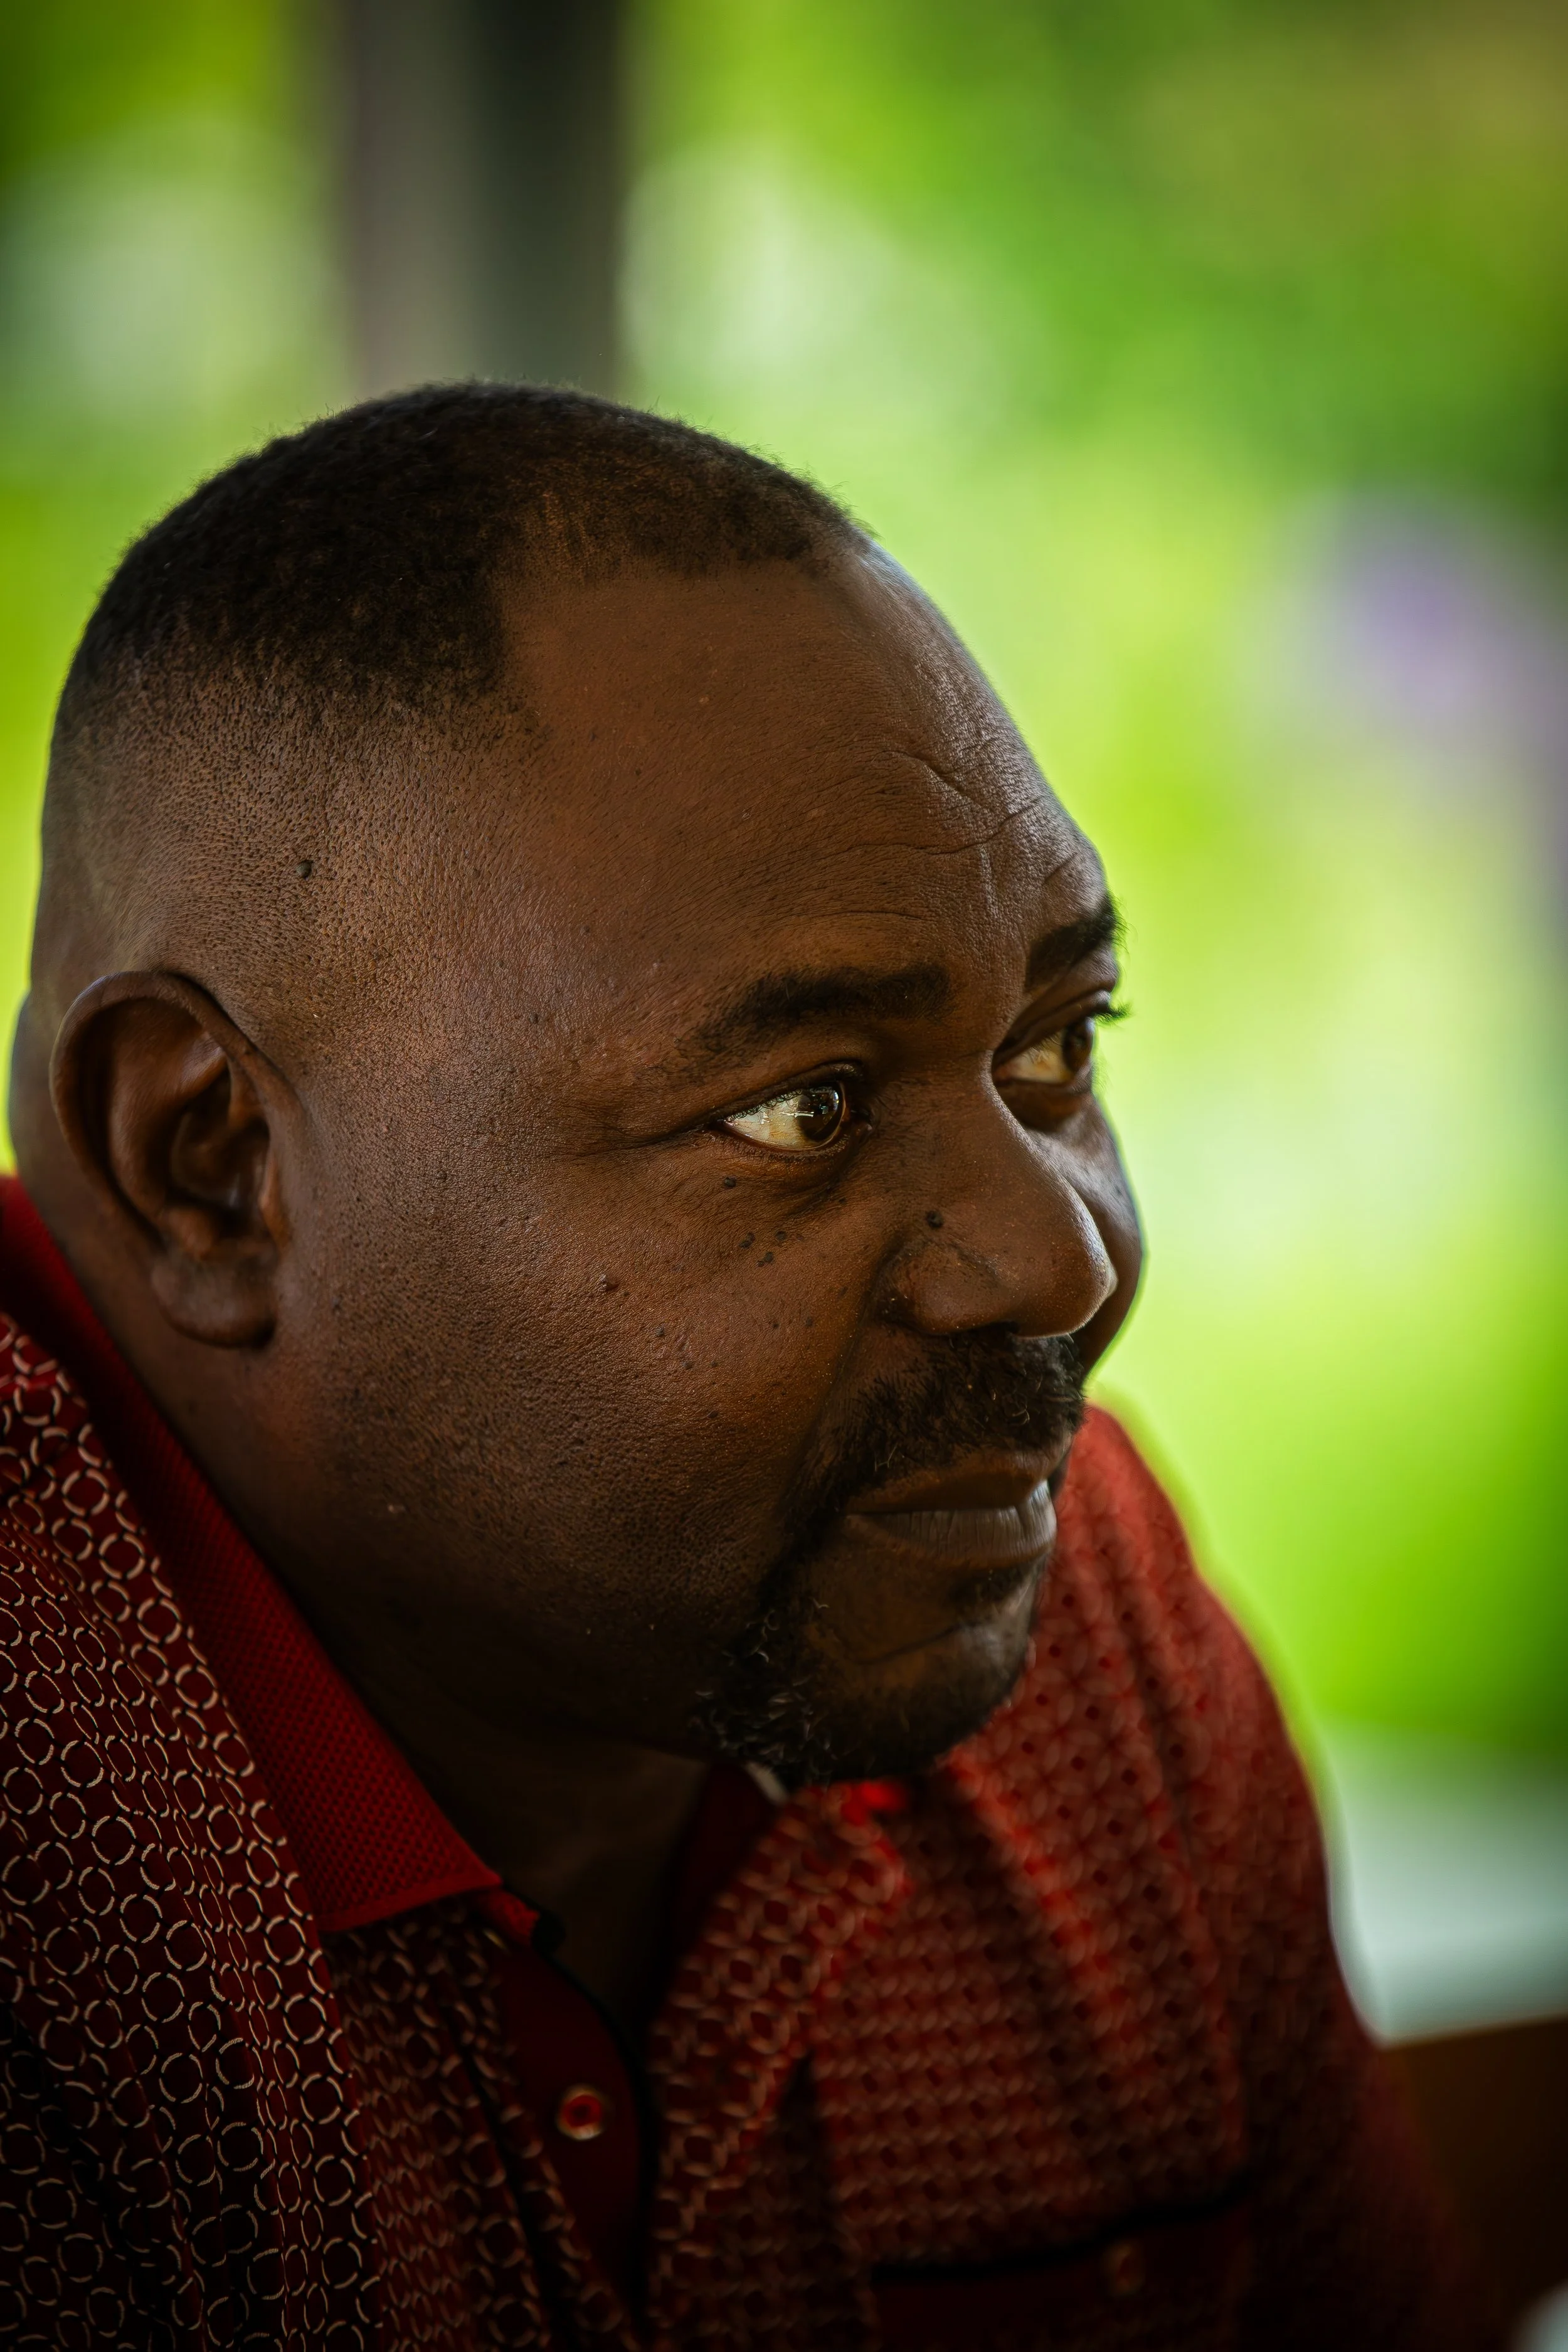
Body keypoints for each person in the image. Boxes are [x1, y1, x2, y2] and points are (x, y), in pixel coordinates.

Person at [0, 386, 1490, 2351]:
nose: (1059, 1260)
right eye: (805, 1106)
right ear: (208, 1167)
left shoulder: (1072, 1615)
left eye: (1055, 1048)